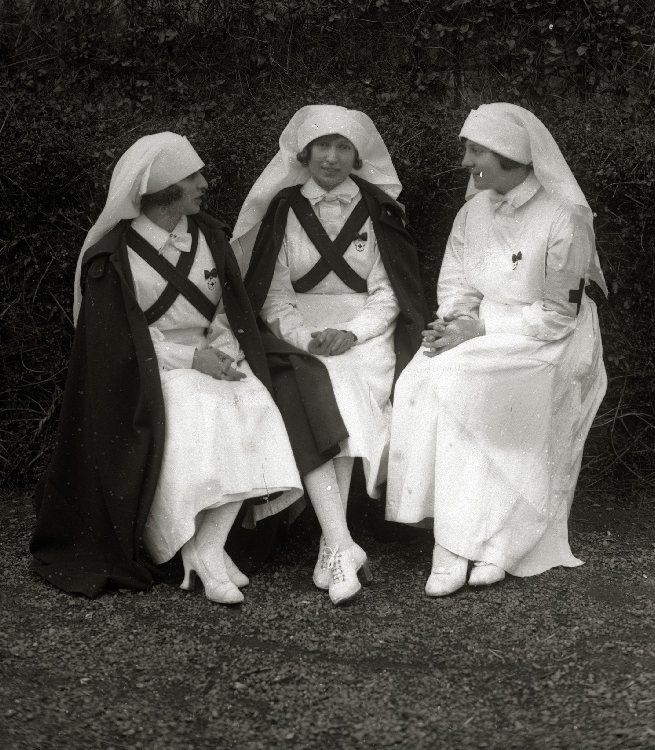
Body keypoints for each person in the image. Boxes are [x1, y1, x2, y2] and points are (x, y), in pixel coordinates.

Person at [31, 133, 302, 603]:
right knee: (202, 408)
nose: (204, 184)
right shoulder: (113, 257)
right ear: (161, 189)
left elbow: (228, 311)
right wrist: (192, 360)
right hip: (150, 372)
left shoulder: (211, 236)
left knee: (256, 402)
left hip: (212, 360)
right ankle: (200, 551)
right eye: (191, 176)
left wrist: (224, 353)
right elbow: (118, 342)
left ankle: (205, 548)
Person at [386, 103, 607, 595]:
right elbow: (457, 284)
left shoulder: (563, 218)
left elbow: (559, 315)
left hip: (548, 339)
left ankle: (491, 543)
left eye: (475, 150)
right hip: (484, 331)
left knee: (463, 382)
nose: (465, 161)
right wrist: (453, 323)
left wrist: (479, 329)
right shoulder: (472, 212)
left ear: (509, 155)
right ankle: (459, 537)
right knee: (421, 375)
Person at [232, 105, 427, 605]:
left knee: (345, 384)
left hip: (366, 333)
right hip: (300, 331)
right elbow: (273, 294)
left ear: (358, 156)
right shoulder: (283, 209)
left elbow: (389, 292)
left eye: (343, 147)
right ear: (304, 153)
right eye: (322, 146)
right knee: (321, 383)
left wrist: (352, 332)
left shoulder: (379, 209)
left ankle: (333, 545)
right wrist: (304, 338)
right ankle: (340, 543)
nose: (332, 158)